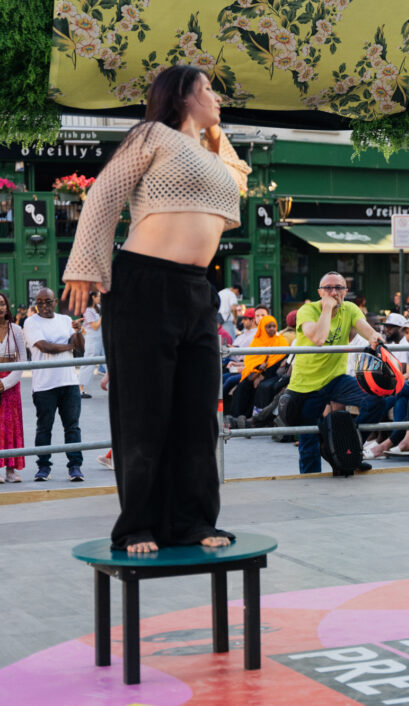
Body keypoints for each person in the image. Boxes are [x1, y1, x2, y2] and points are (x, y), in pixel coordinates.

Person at [61, 65, 250, 552]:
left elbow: (240, 185)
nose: (217, 98)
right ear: (182, 94)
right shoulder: (152, 134)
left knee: (198, 413)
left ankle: (194, 521)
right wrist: (85, 265)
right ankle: (136, 526)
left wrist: (214, 129)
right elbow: (104, 193)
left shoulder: (214, 153)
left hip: (196, 289)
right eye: (208, 90)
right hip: (143, 282)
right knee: (144, 411)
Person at [287, 271, 384, 475]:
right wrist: (327, 309)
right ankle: (311, 481)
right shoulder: (307, 310)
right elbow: (319, 338)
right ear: (319, 292)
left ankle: (349, 448)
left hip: (336, 379)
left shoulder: (350, 308)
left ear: (346, 291)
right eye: (328, 288)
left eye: (338, 288)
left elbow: (364, 327)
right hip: (307, 383)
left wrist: (374, 336)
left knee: (375, 400)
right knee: (309, 438)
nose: (333, 292)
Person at [23, 288, 85, 482]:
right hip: (44, 386)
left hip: (69, 382)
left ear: (55, 302)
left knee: (72, 427)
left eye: (47, 302)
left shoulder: (65, 321)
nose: (43, 306)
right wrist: (69, 346)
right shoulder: (31, 322)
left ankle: (75, 466)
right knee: (44, 428)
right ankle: (43, 467)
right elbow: (45, 347)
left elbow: (80, 350)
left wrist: (77, 333)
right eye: (39, 302)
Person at [364, 316, 409, 458]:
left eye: (391, 327)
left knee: (389, 394)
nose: (387, 330)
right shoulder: (408, 345)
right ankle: (397, 440)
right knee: (400, 401)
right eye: (407, 332)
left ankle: (377, 438)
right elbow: (408, 373)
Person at [230, 315, 288, 419]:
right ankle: (237, 417)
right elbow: (249, 360)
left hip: (271, 374)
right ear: (262, 328)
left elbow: (277, 362)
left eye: (274, 326)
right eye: (268, 326)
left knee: (261, 386)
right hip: (254, 373)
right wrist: (257, 373)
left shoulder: (281, 341)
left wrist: (262, 376)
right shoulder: (256, 341)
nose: (272, 329)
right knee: (243, 386)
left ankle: (255, 419)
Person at [0, 292, 27, 483]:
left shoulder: (16, 329)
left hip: (10, 382)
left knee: (11, 425)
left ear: (6, 306)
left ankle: (10, 469)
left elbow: (23, 361)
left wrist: (6, 382)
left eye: (2, 304)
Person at [78, 290, 104, 398]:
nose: (100, 298)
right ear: (93, 297)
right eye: (98, 296)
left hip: (101, 338)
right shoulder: (87, 310)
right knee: (89, 363)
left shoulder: (98, 307)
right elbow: (95, 326)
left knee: (108, 361)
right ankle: (80, 388)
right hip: (92, 339)